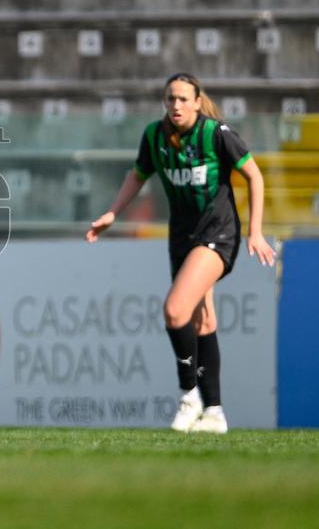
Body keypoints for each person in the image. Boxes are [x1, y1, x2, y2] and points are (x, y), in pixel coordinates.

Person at [86, 72, 275, 434]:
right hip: (182, 238)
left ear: (197, 101)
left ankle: (189, 397)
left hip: (218, 235)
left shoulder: (215, 134)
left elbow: (254, 175)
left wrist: (255, 231)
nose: (175, 105)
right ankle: (215, 413)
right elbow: (138, 174)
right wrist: (112, 212)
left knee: (175, 311)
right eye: (170, 98)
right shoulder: (155, 136)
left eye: (183, 99)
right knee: (203, 320)